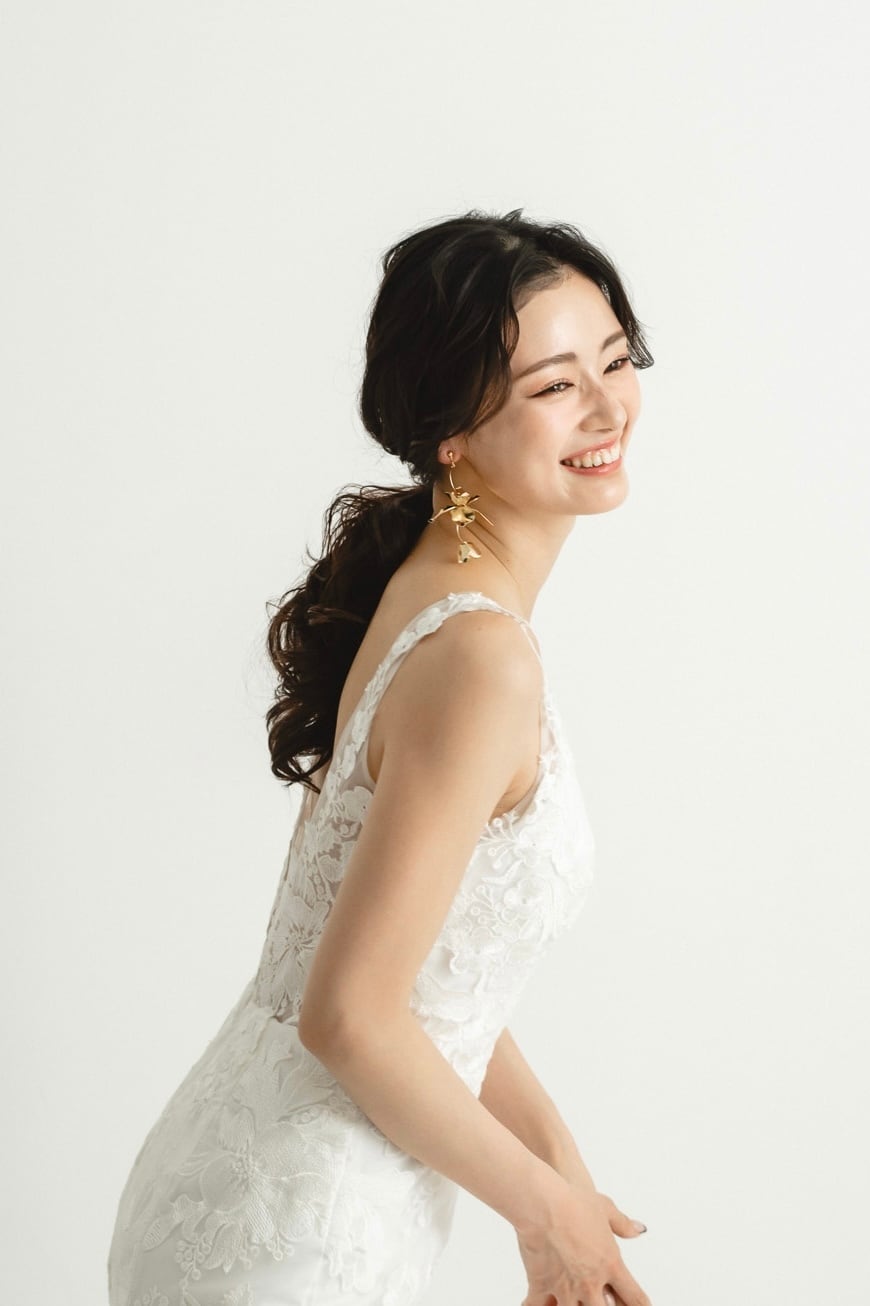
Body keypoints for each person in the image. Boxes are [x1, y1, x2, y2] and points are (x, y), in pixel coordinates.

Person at [107, 207, 656, 1306]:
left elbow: (430, 968)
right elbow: (348, 1015)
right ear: (453, 431)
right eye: (555, 386)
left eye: (614, 359)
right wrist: (547, 1217)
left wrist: (556, 1159)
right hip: (300, 1233)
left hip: (253, 1185)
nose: (607, 408)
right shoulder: (480, 655)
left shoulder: (428, 587)